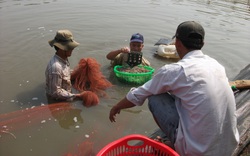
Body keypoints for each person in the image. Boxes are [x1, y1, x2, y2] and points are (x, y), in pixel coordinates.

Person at [109, 21, 239, 155]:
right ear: (202, 44)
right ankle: (181, 141)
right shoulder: (216, 65)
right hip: (228, 147)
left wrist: (116, 107)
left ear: (177, 43)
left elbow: (139, 94)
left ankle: (178, 145)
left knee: (155, 96)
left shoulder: (175, 70)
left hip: (197, 152)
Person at [45, 29, 84, 102]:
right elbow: (55, 93)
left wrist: (79, 72)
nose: (73, 49)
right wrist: (78, 96)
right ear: (61, 49)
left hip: (66, 94)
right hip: (57, 102)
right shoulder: (55, 68)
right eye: (70, 47)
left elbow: (65, 73)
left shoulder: (63, 59)